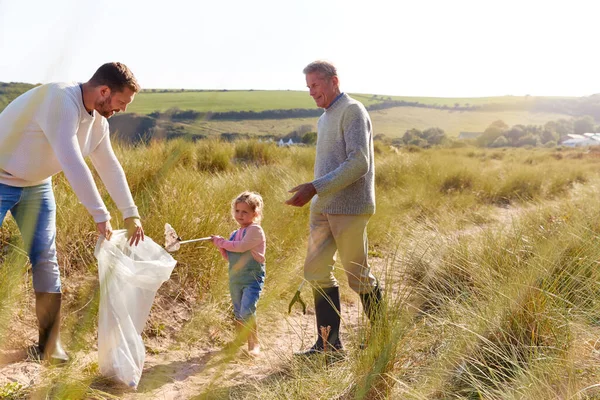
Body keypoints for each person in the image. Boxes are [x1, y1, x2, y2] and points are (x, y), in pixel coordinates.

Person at [0, 62, 145, 363]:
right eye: (120, 103)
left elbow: (109, 167)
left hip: (37, 186)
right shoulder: (59, 100)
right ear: (104, 91)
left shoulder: (99, 124)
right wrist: (100, 214)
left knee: (45, 258)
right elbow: (72, 160)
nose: (120, 109)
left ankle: (49, 347)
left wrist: (131, 214)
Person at [286, 60, 383, 356]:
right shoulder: (324, 118)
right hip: (322, 208)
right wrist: (316, 194)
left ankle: (384, 338)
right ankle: (329, 345)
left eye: (315, 85)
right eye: (308, 87)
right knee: (316, 271)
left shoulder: (353, 111)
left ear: (334, 81)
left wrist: (315, 186)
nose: (311, 92)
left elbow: (359, 162)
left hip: (350, 208)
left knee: (357, 276)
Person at [211, 191, 266, 357]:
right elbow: (230, 256)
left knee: (247, 310)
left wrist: (222, 242)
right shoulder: (235, 233)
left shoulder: (255, 230)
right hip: (235, 279)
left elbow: (241, 247)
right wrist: (221, 245)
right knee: (238, 312)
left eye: (245, 212)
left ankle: (254, 343)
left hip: (251, 278)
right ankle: (240, 339)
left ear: (255, 214)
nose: (240, 215)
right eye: (237, 211)